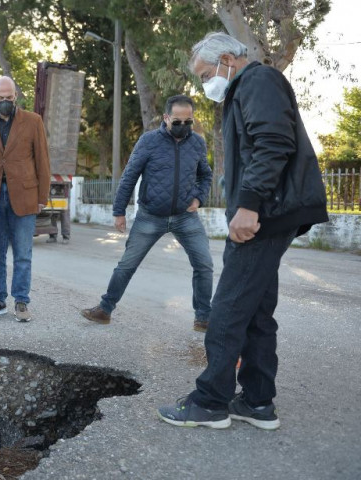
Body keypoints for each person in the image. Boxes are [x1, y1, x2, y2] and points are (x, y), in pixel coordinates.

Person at [158, 32, 328, 429]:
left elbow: (273, 143)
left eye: (206, 74)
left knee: (228, 308)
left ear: (228, 59)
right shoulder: (247, 87)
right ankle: (256, 402)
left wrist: (249, 205)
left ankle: (210, 402)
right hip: (272, 210)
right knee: (255, 311)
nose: (205, 83)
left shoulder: (258, 80)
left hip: (265, 213)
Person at [81, 95, 214, 331]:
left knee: (204, 265)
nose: (183, 126)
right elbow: (130, 176)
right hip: (150, 216)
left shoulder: (197, 143)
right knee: (127, 265)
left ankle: (203, 318)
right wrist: (119, 211)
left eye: (188, 121)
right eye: (177, 121)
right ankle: (104, 310)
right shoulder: (149, 141)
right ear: (166, 118)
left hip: (185, 216)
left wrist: (198, 198)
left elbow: (205, 175)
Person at [0, 76, 51, 322]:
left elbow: (42, 160)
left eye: (9, 97)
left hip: (25, 196)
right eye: (1, 97)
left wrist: (42, 197)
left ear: (15, 96)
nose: (5, 101)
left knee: (23, 255)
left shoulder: (33, 121)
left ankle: (21, 301)